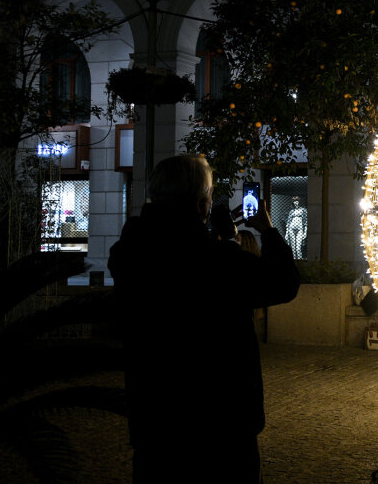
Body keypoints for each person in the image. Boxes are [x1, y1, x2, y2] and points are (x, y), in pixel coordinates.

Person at [109, 155, 300, 483]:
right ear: (201, 205)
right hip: (221, 425)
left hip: (155, 420)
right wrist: (267, 231)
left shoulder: (130, 253)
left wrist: (221, 240)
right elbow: (283, 283)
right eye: (209, 197)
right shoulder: (218, 262)